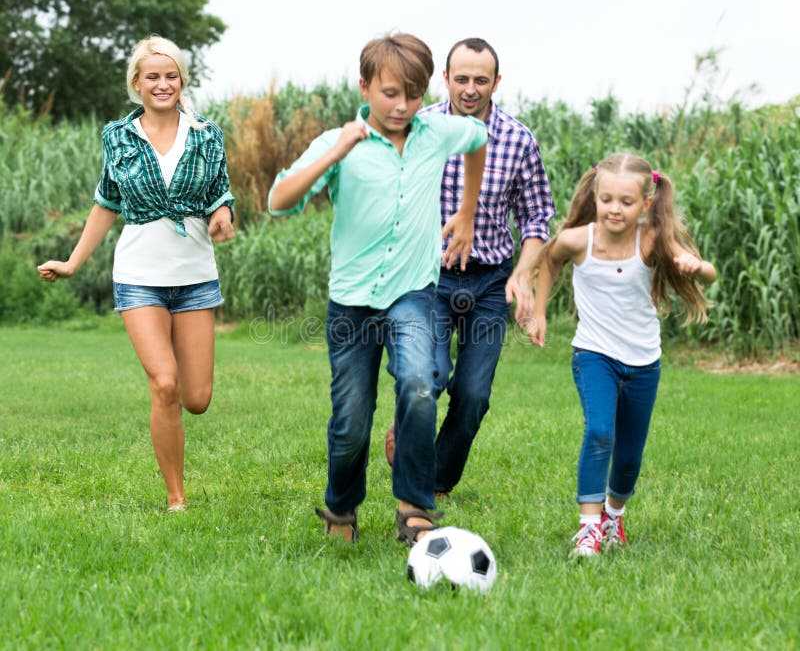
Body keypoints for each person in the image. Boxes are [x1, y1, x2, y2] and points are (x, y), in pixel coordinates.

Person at [267, 32, 487, 545]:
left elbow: (477, 139)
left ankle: (414, 506)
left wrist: (467, 212)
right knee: (352, 419)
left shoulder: (436, 132)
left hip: (412, 294)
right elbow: (279, 200)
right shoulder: (339, 143)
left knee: (418, 384)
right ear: (364, 86)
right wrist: (337, 149)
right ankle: (342, 511)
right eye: (390, 93)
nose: (403, 105)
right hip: (352, 302)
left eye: (413, 94)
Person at [38, 35, 235, 513]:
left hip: (194, 277)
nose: (162, 84)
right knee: (163, 384)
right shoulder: (118, 137)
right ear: (137, 83)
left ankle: (178, 480)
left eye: (171, 76)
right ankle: (176, 498)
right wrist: (72, 262)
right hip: (139, 275)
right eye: (153, 76)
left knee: (197, 398)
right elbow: (106, 202)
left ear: (182, 81)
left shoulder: (207, 134)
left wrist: (224, 212)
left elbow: (220, 191)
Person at [512, 153, 716, 558]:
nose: (614, 209)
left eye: (625, 202)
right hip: (594, 354)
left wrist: (697, 267)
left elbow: (708, 273)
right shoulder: (578, 239)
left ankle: (613, 517)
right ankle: (588, 530)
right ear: (595, 195)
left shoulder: (652, 239)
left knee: (628, 458)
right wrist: (539, 314)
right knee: (600, 431)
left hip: (643, 361)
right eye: (606, 199)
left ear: (645, 204)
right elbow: (549, 262)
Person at [384, 38, 555, 500]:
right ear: (446, 79)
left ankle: (437, 481)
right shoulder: (419, 129)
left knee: (474, 395)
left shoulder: (518, 140)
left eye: (481, 79)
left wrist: (522, 274)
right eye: (461, 78)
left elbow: (537, 218)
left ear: (497, 82)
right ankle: (414, 457)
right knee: (429, 377)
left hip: (491, 282)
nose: (471, 88)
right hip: (429, 279)